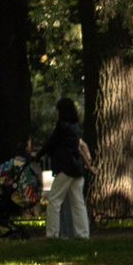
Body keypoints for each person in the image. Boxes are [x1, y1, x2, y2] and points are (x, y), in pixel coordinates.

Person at [42, 98, 92, 240]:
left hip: (65, 168)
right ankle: (83, 234)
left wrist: (39, 155)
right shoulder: (75, 126)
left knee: (54, 200)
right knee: (78, 202)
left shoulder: (62, 126)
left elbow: (51, 143)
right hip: (76, 168)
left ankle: (52, 233)